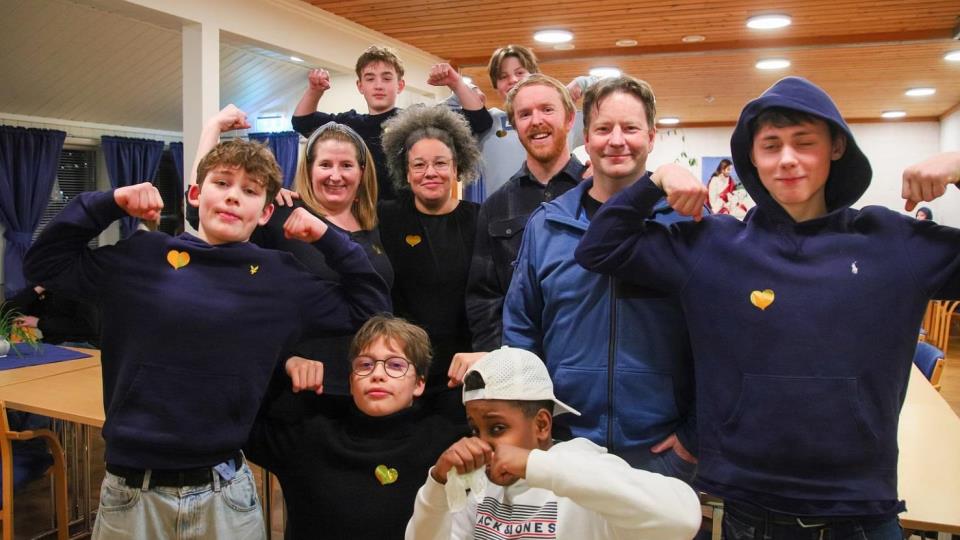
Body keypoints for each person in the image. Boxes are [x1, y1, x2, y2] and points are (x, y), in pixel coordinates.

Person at [576, 76, 960, 538]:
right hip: (749, 510)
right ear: (752, 158)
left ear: (836, 147)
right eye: (771, 146)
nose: (787, 159)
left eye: (805, 142)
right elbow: (601, 248)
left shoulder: (891, 243)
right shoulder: (714, 247)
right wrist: (656, 181)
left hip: (860, 511)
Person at [23, 108, 390, 539]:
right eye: (222, 183)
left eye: (249, 190)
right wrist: (109, 202)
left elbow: (369, 307)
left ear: (265, 211)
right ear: (196, 193)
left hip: (224, 493)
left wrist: (327, 235)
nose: (233, 197)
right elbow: (44, 263)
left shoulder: (279, 278)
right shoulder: (142, 257)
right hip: (132, 493)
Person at [502, 76, 697, 476]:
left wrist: (694, 438)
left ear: (651, 137)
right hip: (564, 446)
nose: (617, 141)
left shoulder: (685, 224)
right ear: (587, 139)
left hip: (659, 452)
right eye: (604, 129)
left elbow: (717, 339)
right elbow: (521, 332)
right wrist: (530, 426)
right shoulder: (547, 225)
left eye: (630, 128)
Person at [404, 346, 703, 540]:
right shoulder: (479, 484)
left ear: (542, 425)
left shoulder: (585, 468)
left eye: (497, 428)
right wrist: (438, 484)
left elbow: (684, 518)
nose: (483, 443)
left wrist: (534, 465)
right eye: (475, 429)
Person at [245, 315, 466, 540]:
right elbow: (237, 417)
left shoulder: (444, 439)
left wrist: (485, 365)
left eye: (395, 365)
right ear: (351, 382)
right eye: (365, 365)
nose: (377, 375)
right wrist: (284, 363)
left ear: (419, 383)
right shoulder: (307, 436)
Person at [250, 119, 394, 415]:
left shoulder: (379, 225)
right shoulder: (281, 216)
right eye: (325, 165)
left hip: (370, 387)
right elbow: (250, 304)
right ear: (309, 170)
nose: (335, 176)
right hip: (301, 388)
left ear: (362, 172)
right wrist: (285, 359)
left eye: (346, 165)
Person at [466, 74, 586, 352]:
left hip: (585, 360)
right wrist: (501, 360)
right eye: (524, 114)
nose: (536, 121)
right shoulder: (495, 206)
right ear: (516, 126)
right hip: (519, 361)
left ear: (569, 119)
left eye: (547, 109)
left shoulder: (597, 193)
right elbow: (483, 297)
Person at [379, 105, 481, 421]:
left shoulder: (480, 220)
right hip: (401, 371)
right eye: (419, 165)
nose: (430, 173)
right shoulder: (384, 217)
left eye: (440, 163)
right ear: (406, 172)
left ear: (457, 167)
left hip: (462, 373)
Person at [291, 46, 492, 201]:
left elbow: (480, 121)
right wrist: (315, 90)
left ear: (400, 85)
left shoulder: (416, 122)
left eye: (386, 78)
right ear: (360, 86)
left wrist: (455, 82)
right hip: (363, 218)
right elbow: (302, 122)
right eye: (370, 79)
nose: (378, 85)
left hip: (410, 218)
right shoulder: (349, 126)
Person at [470, 45, 593, 203]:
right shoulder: (486, 121)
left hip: (564, 203)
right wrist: (467, 87)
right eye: (503, 76)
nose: (513, 80)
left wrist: (582, 83)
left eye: (520, 73)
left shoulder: (562, 119)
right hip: (505, 209)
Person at [7, 284, 100, 347]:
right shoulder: (43, 288)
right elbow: (6, 312)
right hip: (51, 343)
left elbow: (87, 327)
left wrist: (39, 323)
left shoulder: (80, 286)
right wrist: (37, 288)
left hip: (80, 342)